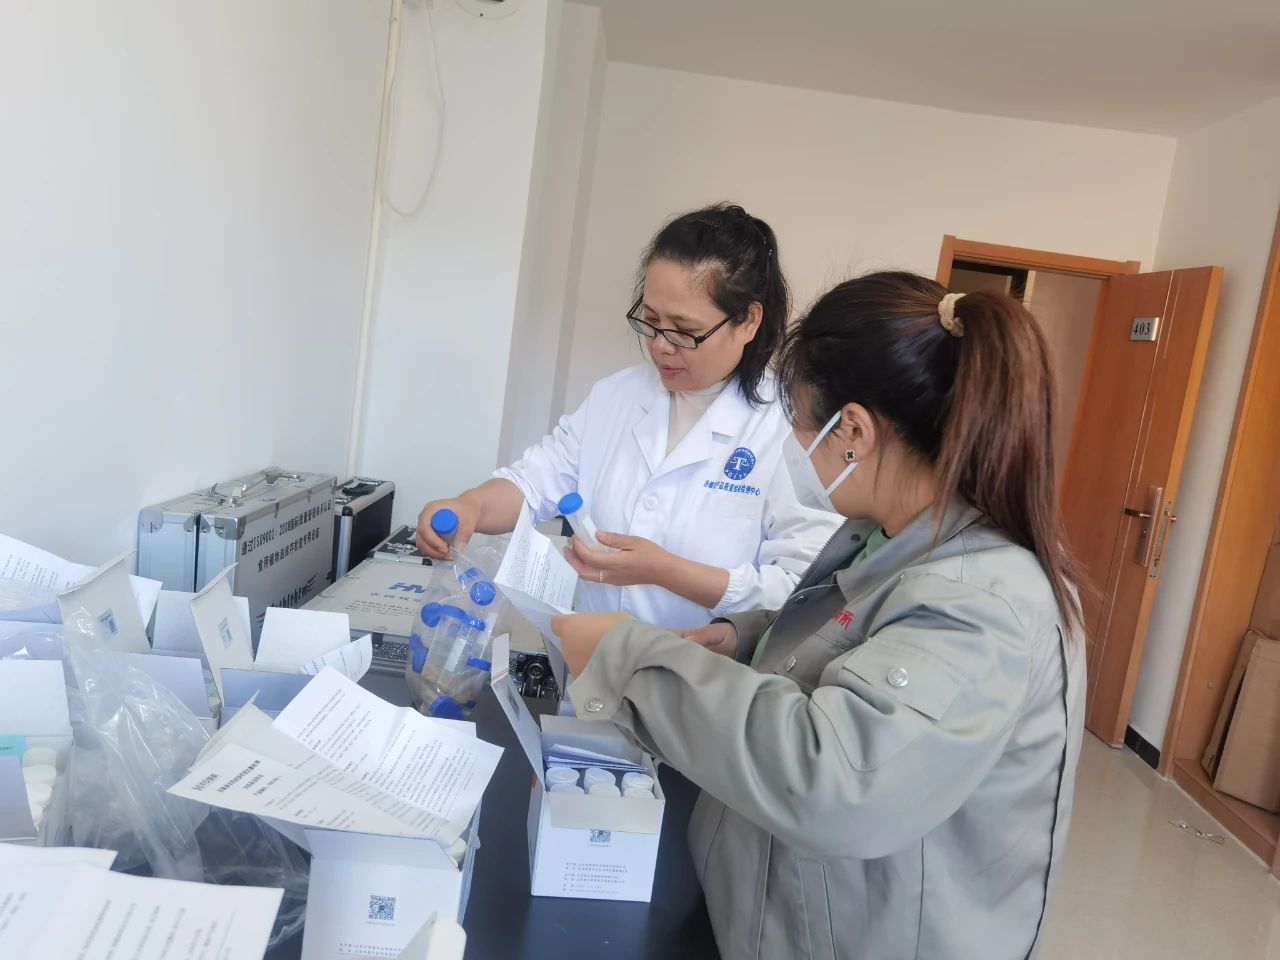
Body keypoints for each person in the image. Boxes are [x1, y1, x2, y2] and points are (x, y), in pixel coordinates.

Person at [553, 272, 1087, 959]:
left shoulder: (981, 603)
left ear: (853, 430)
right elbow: (854, 635)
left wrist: (628, 659)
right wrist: (746, 639)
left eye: (800, 422)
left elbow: (836, 780)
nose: (793, 443)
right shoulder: (887, 532)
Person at [416, 203, 843, 629]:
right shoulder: (617, 396)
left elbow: (802, 590)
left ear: (748, 321)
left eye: (684, 331)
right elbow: (532, 483)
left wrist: (666, 571)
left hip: (702, 669)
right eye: (651, 321)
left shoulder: (790, 428)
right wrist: (470, 506)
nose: (660, 345)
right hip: (588, 663)